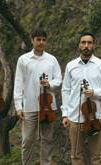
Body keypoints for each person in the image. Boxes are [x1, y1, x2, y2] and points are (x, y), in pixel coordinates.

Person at [61, 32, 101, 165]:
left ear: (94, 45)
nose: (86, 45)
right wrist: (65, 114)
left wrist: (95, 92)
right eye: (83, 42)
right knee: (76, 155)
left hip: (95, 117)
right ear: (79, 45)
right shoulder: (70, 66)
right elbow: (65, 90)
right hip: (74, 116)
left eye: (89, 43)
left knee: (96, 155)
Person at [14, 29, 62, 165]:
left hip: (48, 107)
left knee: (47, 139)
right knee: (27, 140)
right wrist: (18, 106)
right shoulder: (23, 60)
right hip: (29, 106)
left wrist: (49, 83)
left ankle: (45, 163)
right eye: (38, 39)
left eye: (43, 40)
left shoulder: (52, 59)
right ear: (32, 40)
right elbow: (18, 83)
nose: (41, 42)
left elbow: (59, 79)